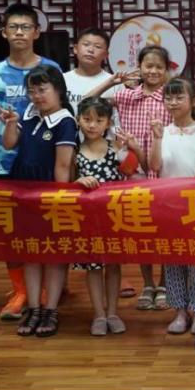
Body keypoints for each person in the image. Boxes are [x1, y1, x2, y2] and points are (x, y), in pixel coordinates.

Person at [0, 3, 61, 322]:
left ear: (36, 32)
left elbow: (62, 114)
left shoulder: (52, 68)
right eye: (13, 27)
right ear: (3, 32)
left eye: (25, 27)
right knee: (12, 232)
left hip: (43, 163)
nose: (19, 32)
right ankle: (21, 291)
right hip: (5, 162)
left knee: (45, 229)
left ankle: (44, 288)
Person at [0, 65, 77, 338]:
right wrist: (11, 123)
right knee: (30, 252)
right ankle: (33, 308)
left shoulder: (66, 121)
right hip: (23, 193)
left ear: (58, 90)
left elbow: (63, 166)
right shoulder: (29, 114)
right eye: (32, 91)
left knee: (53, 256)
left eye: (42, 90)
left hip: (50, 196)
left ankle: (50, 310)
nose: (36, 96)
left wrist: (59, 201)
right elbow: (9, 144)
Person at [63, 27, 139, 299]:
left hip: (109, 155)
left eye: (97, 46)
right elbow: (75, 108)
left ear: (106, 53)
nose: (91, 50)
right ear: (75, 48)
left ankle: (119, 277)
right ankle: (64, 284)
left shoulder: (118, 80)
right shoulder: (63, 80)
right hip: (76, 152)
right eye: (86, 44)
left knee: (113, 231)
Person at [96, 45, 173, 310]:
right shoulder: (126, 95)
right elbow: (86, 102)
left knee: (165, 232)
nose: (153, 71)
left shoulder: (171, 97)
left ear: (167, 69)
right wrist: (111, 82)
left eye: (159, 67)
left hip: (164, 170)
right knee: (143, 231)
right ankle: (148, 284)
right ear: (139, 67)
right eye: (148, 66)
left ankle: (164, 283)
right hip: (132, 174)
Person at [148, 78, 195, 336]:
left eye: (179, 97)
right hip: (168, 204)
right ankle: (179, 311)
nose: (173, 102)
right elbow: (154, 166)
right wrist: (157, 139)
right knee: (173, 258)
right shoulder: (162, 131)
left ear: (194, 101)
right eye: (168, 98)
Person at [71, 97, 142, 337]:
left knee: (113, 266)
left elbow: (133, 172)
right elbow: (66, 182)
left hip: (114, 217)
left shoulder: (115, 148)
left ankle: (113, 312)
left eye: (99, 120)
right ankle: (99, 314)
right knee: (93, 268)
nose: (92, 125)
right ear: (78, 120)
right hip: (87, 220)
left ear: (108, 123)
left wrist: (128, 151)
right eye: (87, 119)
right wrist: (78, 181)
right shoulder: (75, 151)